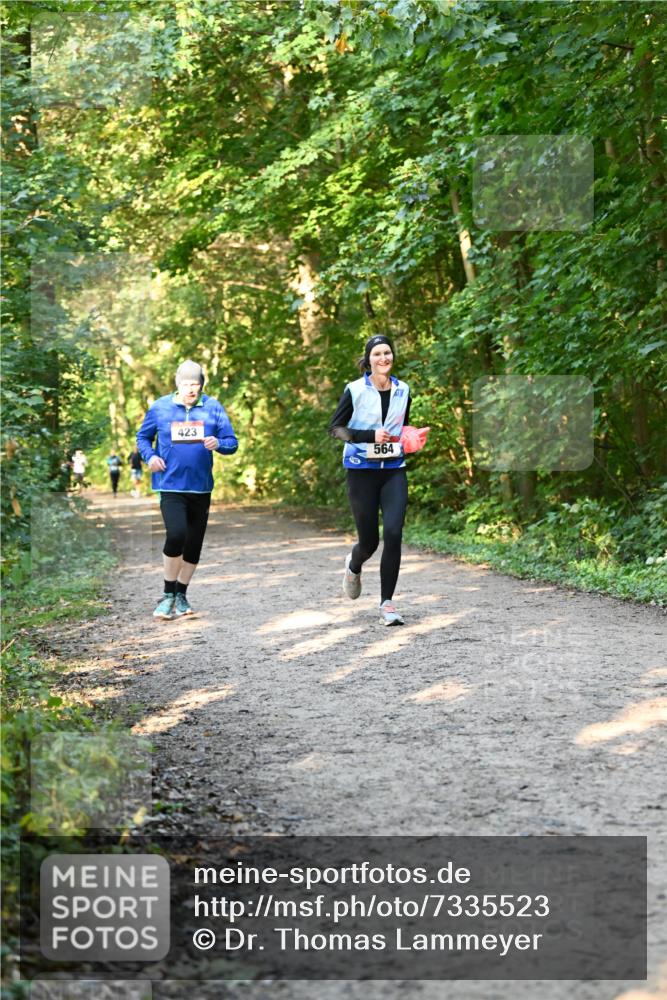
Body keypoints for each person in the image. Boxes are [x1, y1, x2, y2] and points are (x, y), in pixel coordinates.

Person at [329, 334, 429, 626]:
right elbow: (336, 429)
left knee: (395, 532)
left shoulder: (404, 389)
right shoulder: (355, 389)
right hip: (361, 470)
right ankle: (354, 563)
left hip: (394, 468)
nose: (383, 358)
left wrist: (410, 438)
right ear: (368, 360)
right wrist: (368, 436)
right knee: (369, 541)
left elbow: (402, 424)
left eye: (387, 353)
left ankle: (387, 603)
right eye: (377, 354)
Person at [136, 360, 238, 620]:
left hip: (201, 488)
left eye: (196, 384)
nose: (191, 389)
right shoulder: (160, 407)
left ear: (202, 384)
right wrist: (150, 457)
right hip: (170, 485)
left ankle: (181, 594)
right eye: (186, 384)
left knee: (193, 543)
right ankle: (167, 594)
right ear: (177, 383)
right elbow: (142, 437)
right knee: (176, 534)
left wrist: (219, 443)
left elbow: (231, 442)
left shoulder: (213, 407)